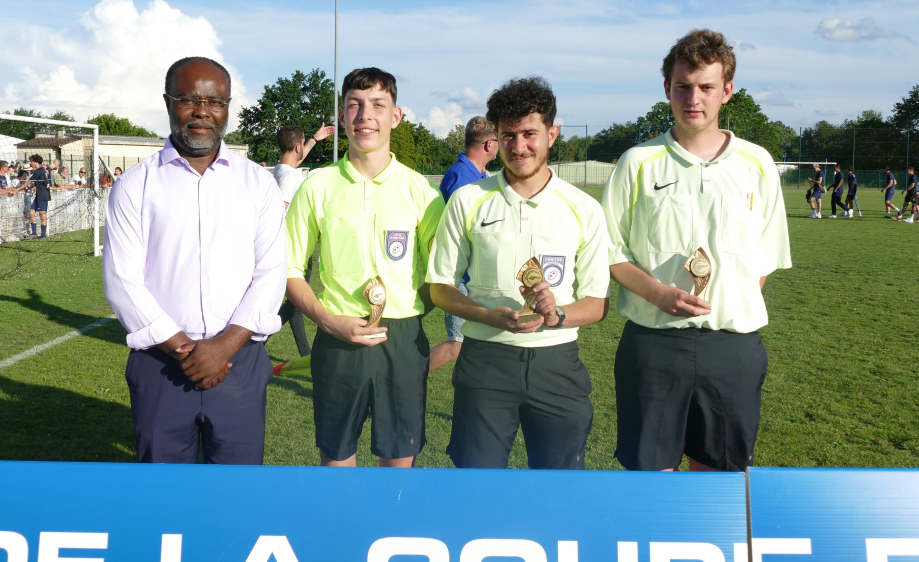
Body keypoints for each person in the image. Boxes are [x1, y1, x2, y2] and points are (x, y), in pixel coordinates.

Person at [603, 29, 792, 473]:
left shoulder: (757, 163)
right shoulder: (637, 161)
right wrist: (659, 294)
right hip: (653, 343)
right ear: (667, 88)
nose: (694, 98)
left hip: (733, 346)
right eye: (683, 86)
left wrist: (724, 300)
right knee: (651, 474)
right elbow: (610, 251)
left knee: (720, 477)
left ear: (726, 90)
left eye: (706, 87)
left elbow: (764, 258)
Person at [102, 56, 287, 464]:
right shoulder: (135, 185)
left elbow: (271, 273)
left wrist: (223, 347)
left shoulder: (258, 184)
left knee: (236, 493)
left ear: (227, 106)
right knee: (164, 496)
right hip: (162, 364)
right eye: (188, 99)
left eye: (215, 101)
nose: (202, 111)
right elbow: (122, 281)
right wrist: (188, 348)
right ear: (168, 103)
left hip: (239, 361)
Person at [428, 77, 610, 470]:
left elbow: (597, 303)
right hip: (485, 361)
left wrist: (558, 314)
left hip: (557, 364)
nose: (518, 146)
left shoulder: (584, 208)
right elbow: (440, 287)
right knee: (477, 483)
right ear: (496, 137)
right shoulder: (468, 201)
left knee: (560, 484)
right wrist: (485, 315)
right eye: (508, 135)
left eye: (530, 133)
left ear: (552, 133)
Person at [285, 67, 445, 468]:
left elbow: (441, 273)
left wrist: (412, 310)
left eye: (377, 105)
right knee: (336, 460)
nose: (364, 115)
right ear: (341, 117)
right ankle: (340, 530)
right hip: (336, 337)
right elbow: (287, 268)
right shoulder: (317, 186)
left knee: (398, 463)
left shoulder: (423, 193)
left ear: (396, 116)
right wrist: (326, 319)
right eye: (354, 105)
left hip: (404, 339)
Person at [428, 116, 499, 373]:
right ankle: (399, 383)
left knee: (475, 342)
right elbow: (465, 233)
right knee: (455, 344)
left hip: (474, 277)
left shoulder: (476, 174)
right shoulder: (461, 178)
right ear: (489, 145)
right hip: (462, 277)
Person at [272, 123, 334, 357]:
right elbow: (279, 213)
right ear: (297, 146)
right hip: (292, 251)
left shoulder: (281, 169)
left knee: (296, 306)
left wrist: (314, 140)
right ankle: (255, 339)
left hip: (289, 250)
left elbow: (297, 159)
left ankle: (306, 355)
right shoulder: (288, 178)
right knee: (297, 304)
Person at [23, 155, 51, 238]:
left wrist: (17, 189)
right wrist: (28, 189)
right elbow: (36, 183)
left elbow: (29, 181)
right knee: (31, 212)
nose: (30, 163)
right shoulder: (40, 171)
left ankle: (43, 235)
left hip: (42, 196)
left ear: (35, 162)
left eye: (31, 161)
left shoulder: (38, 171)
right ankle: (34, 233)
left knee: (42, 214)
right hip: (38, 195)